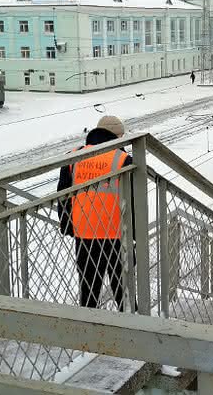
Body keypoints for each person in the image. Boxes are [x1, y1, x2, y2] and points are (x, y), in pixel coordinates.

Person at [57, 115, 133, 310]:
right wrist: (134, 235)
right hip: (116, 236)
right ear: (116, 137)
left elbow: (63, 195)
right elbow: (132, 201)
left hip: (84, 236)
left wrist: (67, 225)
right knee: (123, 290)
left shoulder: (73, 156)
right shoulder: (123, 160)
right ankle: (132, 329)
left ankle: (88, 332)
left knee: (89, 290)